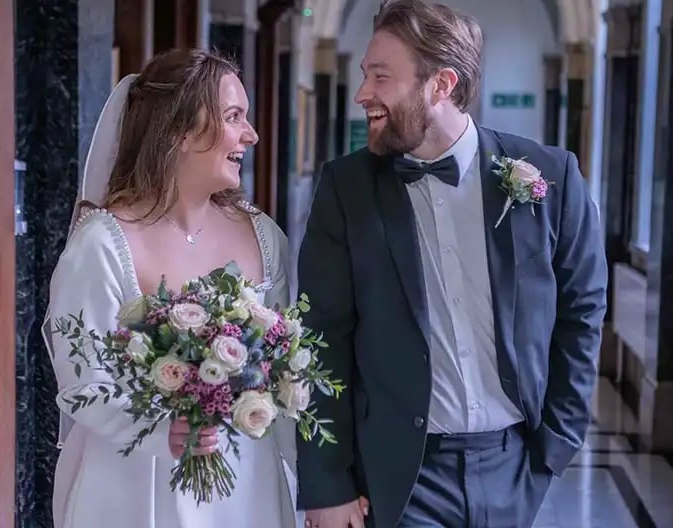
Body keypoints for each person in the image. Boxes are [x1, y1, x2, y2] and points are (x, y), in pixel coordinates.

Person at [296, 1, 608, 527]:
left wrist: (555, 444)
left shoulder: (550, 178)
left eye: (381, 76)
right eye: (364, 75)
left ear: (440, 85)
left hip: (514, 465)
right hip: (401, 475)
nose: (363, 94)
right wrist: (327, 484)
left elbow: (583, 311)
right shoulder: (346, 190)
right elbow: (321, 339)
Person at [42, 48, 303, 528]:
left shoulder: (265, 237)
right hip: (135, 489)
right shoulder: (101, 245)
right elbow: (82, 383)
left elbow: (286, 374)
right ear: (180, 130)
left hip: (246, 489)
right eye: (233, 116)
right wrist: (163, 428)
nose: (252, 134)